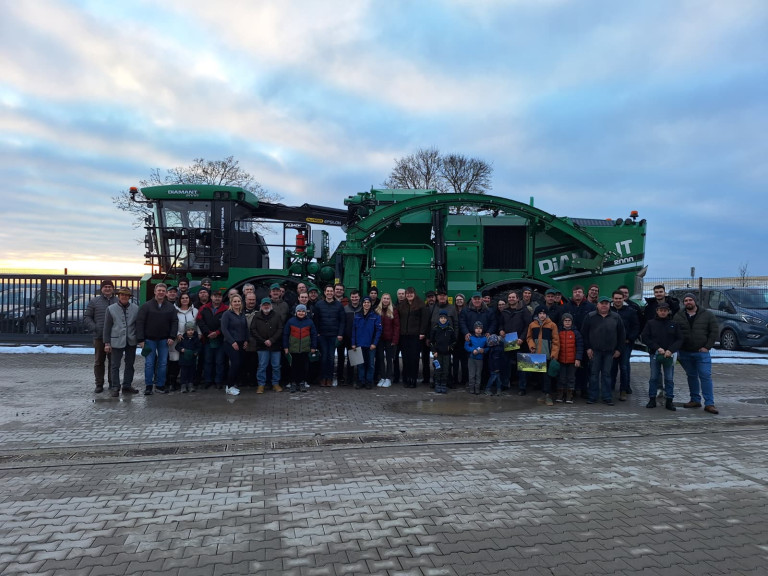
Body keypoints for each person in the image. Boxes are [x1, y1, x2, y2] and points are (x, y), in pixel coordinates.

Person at [674, 293, 720, 414]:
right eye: (686, 300)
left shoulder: (707, 315)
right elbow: (674, 332)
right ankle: (695, 400)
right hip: (685, 352)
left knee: (705, 375)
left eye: (690, 300)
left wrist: (707, 347)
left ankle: (709, 403)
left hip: (701, 352)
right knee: (691, 376)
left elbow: (714, 331)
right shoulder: (678, 316)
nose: (688, 302)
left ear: (695, 301)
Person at [581, 296, 625, 406]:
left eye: (606, 303)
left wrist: (619, 349)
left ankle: (607, 397)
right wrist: (588, 348)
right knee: (594, 374)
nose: (604, 305)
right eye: (602, 303)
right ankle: (592, 397)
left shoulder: (616, 317)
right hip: (594, 351)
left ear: (609, 305)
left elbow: (621, 334)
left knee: (607, 375)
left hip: (610, 352)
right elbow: (584, 334)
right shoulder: (590, 316)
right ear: (597, 305)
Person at [136, 283, 178, 395]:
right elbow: (140, 322)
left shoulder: (170, 307)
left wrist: (172, 336)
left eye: (163, 291)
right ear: (155, 292)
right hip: (149, 340)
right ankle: (149, 386)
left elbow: (174, 322)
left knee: (163, 363)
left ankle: (160, 385)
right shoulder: (146, 306)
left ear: (166, 293)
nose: (161, 292)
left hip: (164, 340)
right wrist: (140, 339)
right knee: (149, 363)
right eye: (159, 290)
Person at [641, 302, 682, 410]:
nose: (663, 312)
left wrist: (671, 350)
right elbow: (645, 337)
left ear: (668, 311)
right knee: (654, 377)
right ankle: (652, 399)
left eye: (665, 310)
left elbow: (680, 339)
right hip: (655, 354)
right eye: (661, 310)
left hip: (669, 355)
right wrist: (657, 348)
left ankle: (669, 400)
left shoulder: (674, 323)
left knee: (669, 378)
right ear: (657, 311)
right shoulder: (650, 323)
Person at [103, 287, 139, 397]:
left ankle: (127, 385)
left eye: (126, 295)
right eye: (122, 295)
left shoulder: (136, 308)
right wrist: (107, 343)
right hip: (116, 340)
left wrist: (139, 339)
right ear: (119, 296)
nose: (124, 297)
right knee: (115, 365)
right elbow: (107, 327)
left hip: (131, 340)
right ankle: (115, 387)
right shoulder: (110, 309)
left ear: (129, 297)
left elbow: (137, 325)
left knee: (130, 364)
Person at [84, 279, 117, 393]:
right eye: (105, 287)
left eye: (109, 286)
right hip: (99, 336)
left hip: (114, 337)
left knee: (113, 362)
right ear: (101, 289)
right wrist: (95, 327)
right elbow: (87, 317)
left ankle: (112, 383)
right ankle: (99, 384)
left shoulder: (117, 301)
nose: (107, 288)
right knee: (99, 362)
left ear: (113, 288)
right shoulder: (95, 301)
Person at [563, 285, 595, 398]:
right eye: (575, 292)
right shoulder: (566, 307)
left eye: (580, 292)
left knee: (584, 366)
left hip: (585, 340)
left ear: (583, 294)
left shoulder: (590, 307)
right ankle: (572, 389)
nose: (577, 293)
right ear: (572, 293)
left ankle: (583, 389)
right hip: (570, 341)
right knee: (571, 367)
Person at [526, 306, 560, 406]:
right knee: (539, 376)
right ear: (537, 315)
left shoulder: (552, 325)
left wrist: (554, 354)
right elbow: (529, 337)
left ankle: (548, 395)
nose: (542, 315)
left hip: (548, 355)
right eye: (540, 313)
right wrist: (532, 346)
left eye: (544, 314)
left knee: (547, 376)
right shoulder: (532, 325)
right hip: (537, 355)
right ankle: (543, 393)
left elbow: (556, 341)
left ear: (547, 315)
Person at [312, 286, 345, 387]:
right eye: (328, 291)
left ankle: (329, 378)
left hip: (334, 335)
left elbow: (342, 321)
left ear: (333, 293)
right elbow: (316, 320)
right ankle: (323, 378)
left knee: (331, 357)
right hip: (322, 335)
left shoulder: (339, 305)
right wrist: (317, 333)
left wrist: (340, 334)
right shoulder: (319, 304)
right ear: (325, 292)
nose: (329, 293)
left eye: (331, 291)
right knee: (323, 357)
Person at [500, 291, 531, 395]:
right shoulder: (504, 311)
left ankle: (522, 387)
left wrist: (522, 338)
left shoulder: (524, 310)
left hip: (520, 342)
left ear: (518, 299)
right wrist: (501, 330)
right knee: (506, 364)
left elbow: (528, 326)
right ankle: (505, 384)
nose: (511, 299)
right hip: (508, 341)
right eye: (509, 297)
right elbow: (500, 324)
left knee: (522, 365)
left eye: (513, 297)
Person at [610, 290, 640, 401]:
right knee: (612, 368)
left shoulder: (630, 311)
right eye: (616, 298)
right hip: (612, 344)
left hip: (625, 344)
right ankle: (610, 389)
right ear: (612, 299)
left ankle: (623, 390)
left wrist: (629, 338)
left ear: (623, 299)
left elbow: (636, 327)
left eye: (620, 298)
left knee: (624, 367)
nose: (618, 300)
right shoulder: (609, 310)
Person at [251, 297, 284, 394]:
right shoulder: (256, 316)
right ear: (261, 306)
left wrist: (272, 340)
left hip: (275, 345)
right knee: (262, 366)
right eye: (264, 305)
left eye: (268, 304)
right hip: (262, 346)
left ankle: (275, 383)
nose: (266, 306)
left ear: (271, 305)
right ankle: (261, 385)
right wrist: (263, 341)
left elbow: (280, 329)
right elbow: (253, 330)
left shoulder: (277, 315)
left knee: (276, 366)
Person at [197, 290, 229, 389]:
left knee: (220, 361)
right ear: (211, 297)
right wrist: (208, 332)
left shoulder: (226, 309)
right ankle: (208, 380)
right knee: (208, 361)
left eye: (219, 296)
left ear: (222, 298)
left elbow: (227, 323)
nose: (217, 298)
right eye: (215, 296)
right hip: (207, 339)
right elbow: (200, 321)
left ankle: (218, 381)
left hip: (221, 340)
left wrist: (218, 332)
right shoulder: (203, 308)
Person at [283, 304, 317, 393]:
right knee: (293, 367)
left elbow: (313, 335)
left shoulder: (309, 322)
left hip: (305, 349)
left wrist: (313, 346)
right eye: (299, 311)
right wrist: (286, 347)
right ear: (296, 312)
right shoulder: (290, 321)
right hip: (293, 349)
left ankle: (302, 382)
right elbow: (286, 335)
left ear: (305, 313)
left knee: (303, 367)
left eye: (303, 311)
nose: (301, 313)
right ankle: (293, 383)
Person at [168, 292, 197, 391]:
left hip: (190, 340)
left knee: (188, 361)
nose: (185, 299)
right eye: (182, 298)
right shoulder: (174, 310)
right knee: (175, 361)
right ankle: (172, 383)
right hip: (178, 339)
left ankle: (188, 382)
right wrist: (177, 334)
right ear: (179, 300)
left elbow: (197, 324)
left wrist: (198, 334)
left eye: (186, 298)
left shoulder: (195, 311)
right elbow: (171, 324)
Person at [351, 297, 382, 390]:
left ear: (370, 304)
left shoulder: (375, 316)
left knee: (370, 364)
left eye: (368, 302)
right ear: (362, 304)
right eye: (364, 302)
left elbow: (378, 331)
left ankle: (369, 381)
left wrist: (374, 343)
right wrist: (353, 343)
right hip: (359, 344)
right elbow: (353, 330)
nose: (366, 304)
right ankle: (361, 381)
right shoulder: (357, 316)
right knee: (360, 364)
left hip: (370, 345)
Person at [221, 294, 248, 396]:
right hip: (230, 343)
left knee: (239, 364)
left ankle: (233, 384)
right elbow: (224, 329)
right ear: (231, 303)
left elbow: (246, 328)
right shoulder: (227, 314)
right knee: (235, 363)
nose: (237, 303)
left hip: (241, 342)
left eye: (238, 301)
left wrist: (246, 340)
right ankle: (229, 386)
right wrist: (232, 342)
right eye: (235, 301)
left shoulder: (242, 314)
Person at [398, 287, 425, 389]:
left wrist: (422, 332)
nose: (409, 295)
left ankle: (413, 379)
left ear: (414, 294)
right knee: (405, 358)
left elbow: (424, 320)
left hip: (415, 336)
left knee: (414, 359)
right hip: (404, 336)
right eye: (407, 293)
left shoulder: (420, 304)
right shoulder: (402, 305)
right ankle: (406, 379)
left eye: (411, 293)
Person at [556, 313, 583, 404]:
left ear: (572, 322)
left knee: (571, 378)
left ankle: (569, 395)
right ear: (562, 322)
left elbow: (580, 346)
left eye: (569, 321)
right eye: (565, 321)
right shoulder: (559, 332)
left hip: (572, 360)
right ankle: (560, 394)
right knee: (561, 378)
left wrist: (578, 358)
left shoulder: (576, 333)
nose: (567, 322)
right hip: (561, 359)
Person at [375, 293, 399, 388]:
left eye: (387, 298)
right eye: (384, 298)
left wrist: (395, 340)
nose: (386, 300)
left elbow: (396, 326)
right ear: (382, 300)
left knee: (389, 359)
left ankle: (388, 378)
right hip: (380, 339)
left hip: (390, 339)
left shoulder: (394, 311)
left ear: (390, 300)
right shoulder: (377, 310)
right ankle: (382, 377)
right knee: (380, 358)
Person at [429, 309, 455, 394]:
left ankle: (443, 384)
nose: (443, 319)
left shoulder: (450, 329)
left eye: (444, 318)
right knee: (438, 369)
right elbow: (431, 342)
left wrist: (449, 348)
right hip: (438, 353)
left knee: (446, 369)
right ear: (439, 319)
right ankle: (437, 384)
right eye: (441, 318)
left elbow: (454, 341)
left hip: (446, 354)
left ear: (447, 319)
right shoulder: (435, 329)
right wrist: (434, 351)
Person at [342, 290, 363, 386]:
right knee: (351, 358)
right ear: (350, 298)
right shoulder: (345, 308)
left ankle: (359, 379)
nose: (354, 299)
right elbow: (343, 322)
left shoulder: (362, 308)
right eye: (353, 297)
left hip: (360, 337)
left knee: (360, 359)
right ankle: (349, 379)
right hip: (349, 336)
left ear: (359, 297)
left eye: (356, 297)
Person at [176, 321, 201, 393]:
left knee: (191, 372)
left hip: (192, 359)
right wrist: (181, 349)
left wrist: (196, 352)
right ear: (186, 331)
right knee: (184, 373)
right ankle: (183, 385)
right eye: (189, 330)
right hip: (184, 360)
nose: (190, 331)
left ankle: (190, 385)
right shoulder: (182, 338)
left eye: (192, 330)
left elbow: (199, 347)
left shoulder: (196, 339)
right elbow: (177, 346)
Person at [465, 321, 487, 395]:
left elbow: (488, 347)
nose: (478, 329)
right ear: (474, 329)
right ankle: (471, 388)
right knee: (472, 374)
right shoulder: (470, 337)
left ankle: (477, 388)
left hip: (480, 359)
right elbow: (466, 346)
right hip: (471, 359)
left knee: (478, 374)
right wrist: (472, 350)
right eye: (477, 328)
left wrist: (484, 350)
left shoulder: (485, 338)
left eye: (480, 328)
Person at [452, 293, 469, 387]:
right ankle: (455, 379)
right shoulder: (453, 310)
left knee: (464, 361)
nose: (459, 301)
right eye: (457, 299)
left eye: (461, 299)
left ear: (463, 300)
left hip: (464, 338)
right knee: (455, 361)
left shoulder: (467, 310)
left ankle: (464, 379)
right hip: (455, 338)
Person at [392, 288, 407, 384]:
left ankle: (405, 376)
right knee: (395, 357)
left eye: (402, 294)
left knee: (405, 357)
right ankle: (396, 376)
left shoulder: (409, 306)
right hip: (396, 336)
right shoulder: (393, 306)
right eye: (399, 294)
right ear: (397, 295)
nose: (401, 295)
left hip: (405, 335)